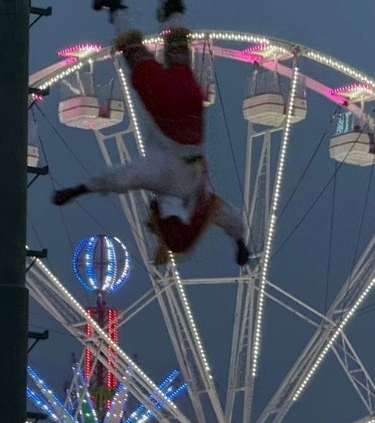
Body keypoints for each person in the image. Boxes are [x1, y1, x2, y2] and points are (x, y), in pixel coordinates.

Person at [53, 0, 251, 268]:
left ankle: (174, 10)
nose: (150, 222)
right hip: (164, 109)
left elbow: (231, 218)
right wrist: (77, 190)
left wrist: (240, 244)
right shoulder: (156, 176)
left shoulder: (201, 196)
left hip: (191, 109)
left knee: (179, 53)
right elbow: (118, 178)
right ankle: (116, 9)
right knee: (134, 52)